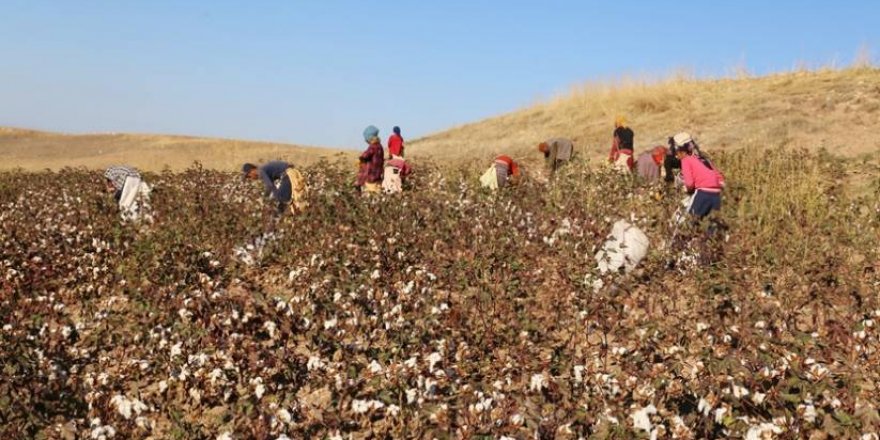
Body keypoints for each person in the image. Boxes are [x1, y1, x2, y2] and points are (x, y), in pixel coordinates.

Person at [673, 132, 725, 219]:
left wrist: (688, 189)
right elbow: (718, 176)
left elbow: (689, 183)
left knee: (690, 220)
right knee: (711, 225)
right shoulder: (702, 159)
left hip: (703, 193)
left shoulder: (686, 160)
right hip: (717, 194)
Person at [242, 160, 307, 215]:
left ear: (252, 170)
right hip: (291, 173)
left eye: (248, 176)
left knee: (280, 197)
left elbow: (270, 186)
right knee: (285, 200)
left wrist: (264, 199)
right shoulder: (263, 169)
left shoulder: (261, 171)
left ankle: (284, 216)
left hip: (288, 175)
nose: (250, 178)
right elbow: (271, 185)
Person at [356, 125, 385, 193]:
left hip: (371, 176)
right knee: (377, 193)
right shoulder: (380, 146)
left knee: (369, 194)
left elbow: (365, 155)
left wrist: (360, 158)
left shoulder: (372, 147)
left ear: (369, 138)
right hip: (378, 175)